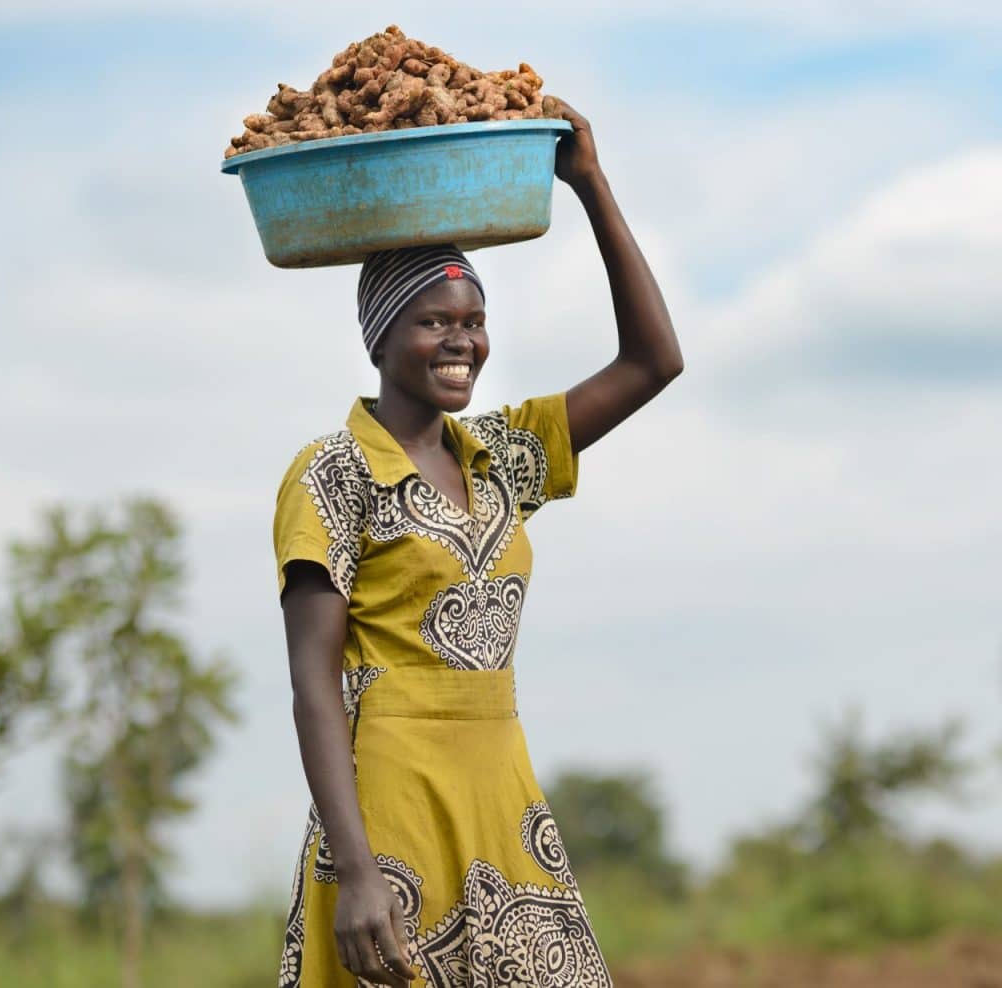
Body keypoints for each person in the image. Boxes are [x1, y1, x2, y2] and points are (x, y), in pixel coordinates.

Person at [272, 99, 681, 987]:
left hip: (501, 787)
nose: (461, 341)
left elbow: (654, 362)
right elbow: (313, 684)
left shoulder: (506, 456)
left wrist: (590, 188)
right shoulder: (332, 473)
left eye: (472, 321)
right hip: (391, 800)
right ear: (380, 338)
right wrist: (356, 870)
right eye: (433, 322)